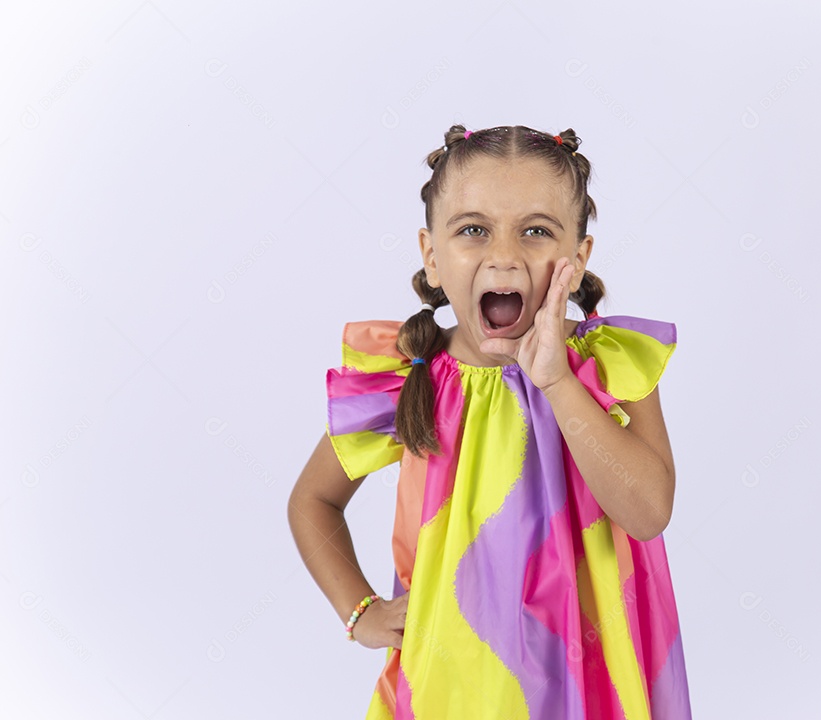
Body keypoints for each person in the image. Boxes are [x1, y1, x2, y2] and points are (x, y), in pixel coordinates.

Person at [288, 124, 693, 719]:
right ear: (432, 256)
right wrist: (360, 612)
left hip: (592, 674)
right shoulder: (411, 376)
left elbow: (648, 511)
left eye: (536, 231)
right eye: (473, 230)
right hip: (453, 683)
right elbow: (313, 501)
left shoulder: (608, 365)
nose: (503, 255)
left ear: (577, 258)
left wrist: (556, 380)